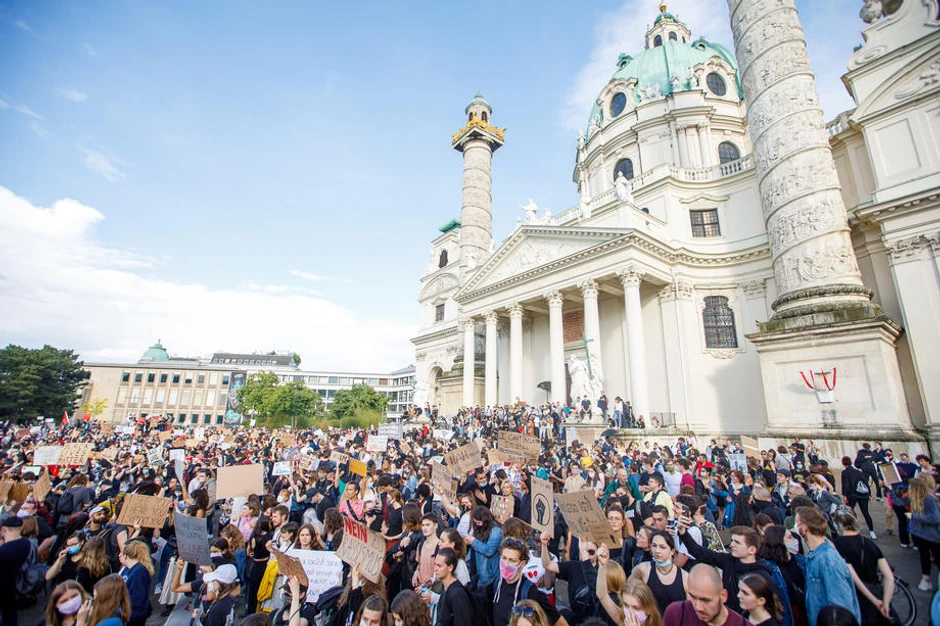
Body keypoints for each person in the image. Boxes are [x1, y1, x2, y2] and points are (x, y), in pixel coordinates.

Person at [794, 506, 859, 626]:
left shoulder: (827, 561)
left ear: (804, 527)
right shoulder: (815, 555)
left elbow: (841, 607)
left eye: (797, 523)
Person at [829, 511, 893, 625]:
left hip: (855, 595)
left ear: (838, 526)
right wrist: (886, 602)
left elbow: (853, 576)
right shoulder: (869, 543)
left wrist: (873, 600)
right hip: (876, 590)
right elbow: (888, 576)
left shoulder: (836, 545)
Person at [492, 538, 563, 626]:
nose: (506, 563)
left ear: (522, 565)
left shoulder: (531, 592)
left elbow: (558, 620)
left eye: (512, 560)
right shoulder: (497, 582)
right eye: (504, 558)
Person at [661, 564, 751, 626]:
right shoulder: (676, 613)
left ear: (723, 596)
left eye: (706, 600)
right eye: (693, 597)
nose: (698, 607)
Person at [627, 530, 687, 616]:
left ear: (672, 551)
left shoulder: (685, 577)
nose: (657, 551)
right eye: (654, 546)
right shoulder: (643, 569)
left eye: (662, 547)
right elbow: (627, 592)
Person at [596, 561, 662, 626]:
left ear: (648, 609)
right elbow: (602, 595)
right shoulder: (622, 619)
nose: (630, 612)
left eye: (636, 608)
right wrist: (602, 565)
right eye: (626, 605)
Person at [908, 473, 940, 591]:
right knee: (924, 557)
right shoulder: (918, 499)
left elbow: (936, 518)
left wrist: (915, 517)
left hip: (931, 535)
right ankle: (925, 579)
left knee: (934, 557)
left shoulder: (928, 499)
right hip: (921, 534)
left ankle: (926, 580)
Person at [0, 515, 33, 626]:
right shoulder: (26, 543)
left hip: (3, 586)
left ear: (3, 529)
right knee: (10, 615)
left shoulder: (4, 551)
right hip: (13, 585)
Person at [435, 547, 474, 626]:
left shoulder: (457, 594)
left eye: (439, 566)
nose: (435, 569)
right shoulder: (445, 586)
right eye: (435, 564)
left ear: (450, 567)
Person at [117, 540, 153, 626]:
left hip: (134, 617)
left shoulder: (139, 572)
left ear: (126, 555)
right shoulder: (128, 569)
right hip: (128, 614)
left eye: (121, 553)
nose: (119, 555)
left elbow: (137, 599)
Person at [466, 506, 502, 587]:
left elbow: (489, 551)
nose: (478, 525)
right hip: (478, 572)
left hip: (489, 575)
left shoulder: (495, 531)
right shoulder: (480, 528)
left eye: (479, 523)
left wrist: (474, 542)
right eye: (476, 523)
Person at [839, 457, 875, 538]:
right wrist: (869, 494)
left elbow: (846, 484)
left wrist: (844, 495)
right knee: (866, 512)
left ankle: (854, 529)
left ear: (843, 463)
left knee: (851, 512)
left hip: (852, 495)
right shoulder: (857, 471)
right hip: (862, 494)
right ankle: (872, 531)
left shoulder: (845, 472)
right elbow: (865, 481)